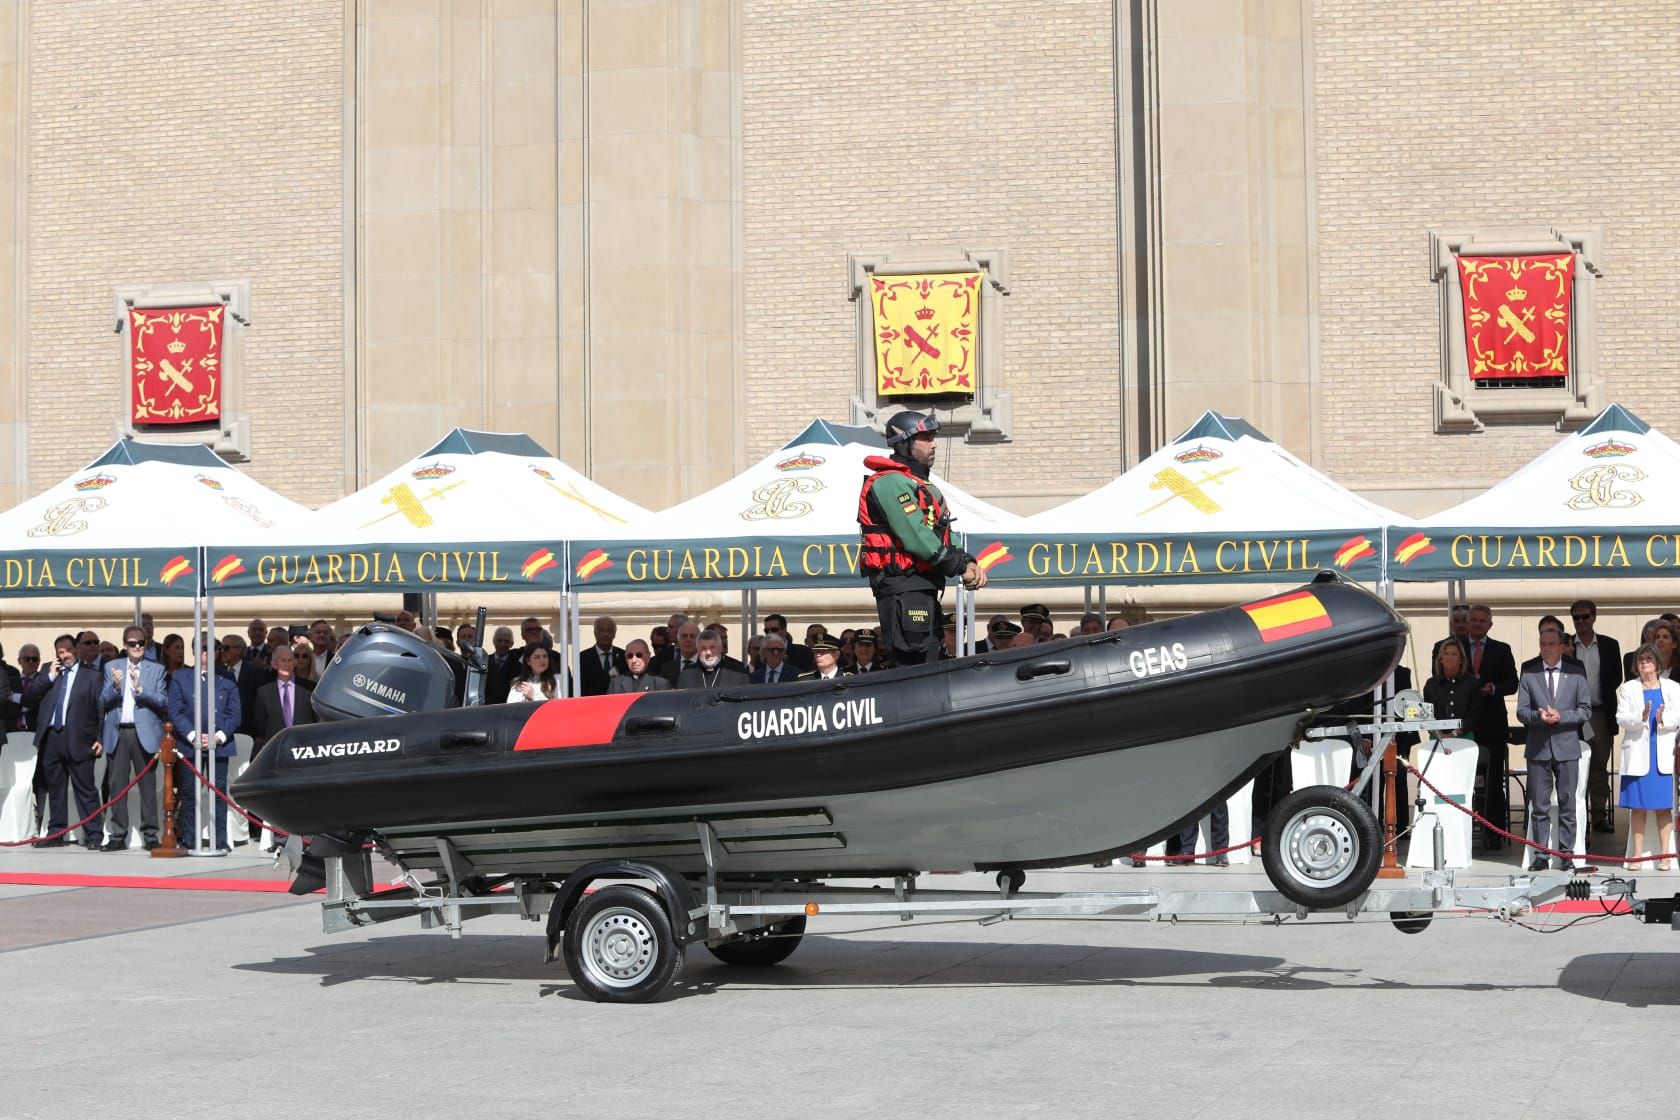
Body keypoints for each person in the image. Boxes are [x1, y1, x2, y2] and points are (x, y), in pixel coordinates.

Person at [856, 409, 984, 666]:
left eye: (932, 437)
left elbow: (942, 532)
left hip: (922, 586)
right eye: (925, 438)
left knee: (928, 655)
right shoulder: (890, 482)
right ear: (903, 443)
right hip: (903, 587)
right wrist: (958, 567)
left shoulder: (922, 485)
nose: (933, 444)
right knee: (912, 660)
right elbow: (916, 536)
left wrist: (968, 561)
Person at [1516, 627, 1593, 872]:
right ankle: (1541, 855)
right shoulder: (1530, 673)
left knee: (1568, 803)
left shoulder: (1576, 672)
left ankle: (1567, 854)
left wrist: (1562, 716)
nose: (1546, 648)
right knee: (1539, 805)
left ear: (1562, 646)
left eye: (1551, 644)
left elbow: (1585, 710)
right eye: (1543, 643)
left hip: (1567, 746)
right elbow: (1521, 711)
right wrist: (1540, 717)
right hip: (1538, 747)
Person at [27, 633, 105, 848]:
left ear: (77, 650)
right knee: (55, 788)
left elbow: (100, 709)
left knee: (85, 789)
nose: (64, 655)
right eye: (60, 652)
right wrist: (49, 676)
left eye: (68, 650)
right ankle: (56, 833)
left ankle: (94, 835)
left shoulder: (92, 675)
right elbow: (30, 695)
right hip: (52, 737)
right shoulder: (48, 671)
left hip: (80, 738)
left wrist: (100, 737)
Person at [96, 626, 168, 851]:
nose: (137, 647)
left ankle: (150, 834)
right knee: (116, 785)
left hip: (144, 733)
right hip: (118, 731)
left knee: (148, 787)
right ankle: (118, 834)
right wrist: (116, 688)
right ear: (125, 645)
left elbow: (163, 701)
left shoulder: (156, 669)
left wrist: (141, 690)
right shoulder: (111, 667)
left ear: (146, 644)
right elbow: (102, 701)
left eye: (141, 643)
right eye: (132, 643)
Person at [168, 634, 241, 853]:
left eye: (212, 648)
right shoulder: (181, 677)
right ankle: (189, 839)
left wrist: (218, 736)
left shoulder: (226, 678)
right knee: (190, 793)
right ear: (194, 651)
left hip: (219, 745)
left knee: (218, 793)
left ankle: (220, 840)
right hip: (191, 745)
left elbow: (234, 713)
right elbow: (175, 710)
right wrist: (192, 735)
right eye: (202, 648)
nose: (207, 653)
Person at [1614, 643, 1678, 870]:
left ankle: (1665, 856)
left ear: (1658, 663)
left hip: (1661, 755)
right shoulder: (1628, 688)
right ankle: (1637, 856)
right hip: (1638, 754)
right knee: (1638, 808)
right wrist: (1639, 717)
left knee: (1663, 807)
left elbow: (1677, 718)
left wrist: (1662, 718)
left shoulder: (1673, 688)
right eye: (1641, 660)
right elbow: (1621, 718)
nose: (1644, 663)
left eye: (1649, 659)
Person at [1464, 604, 1518, 848]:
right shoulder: (1455, 647)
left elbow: (1512, 683)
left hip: (1492, 722)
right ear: (1467, 622)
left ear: (1489, 625)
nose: (1477, 624)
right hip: (1464, 723)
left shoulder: (1501, 649)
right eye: (1473, 620)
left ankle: (1495, 832)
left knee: (1494, 781)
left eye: (1482, 621)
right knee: (1465, 778)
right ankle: (1465, 829)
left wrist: (1493, 688)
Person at [1568, 600, 1622, 834]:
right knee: (1572, 764)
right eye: (1576, 618)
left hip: (1599, 712)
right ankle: (1574, 814)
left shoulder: (1609, 645)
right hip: (1572, 714)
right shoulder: (1567, 644)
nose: (1581, 622)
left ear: (1594, 616)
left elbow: (1616, 677)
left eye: (1585, 616)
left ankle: (1599, 815)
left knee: (1599, 764)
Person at [253, 643, 317, 754]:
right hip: (275, 748)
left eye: (290, 660)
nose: (287, 664)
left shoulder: (309, 688)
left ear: (294, 663)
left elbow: (316, 718)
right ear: (274, 664)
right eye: (283, 661)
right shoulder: (264, 692)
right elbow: (260, 723)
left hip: (305, 747)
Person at [1422, 640, 1477, 741]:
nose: (1450, 657)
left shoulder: (1471, 683)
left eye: (1454, 654)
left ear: (1461, 659)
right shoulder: (1431, 684)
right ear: (1441, 659)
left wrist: (1454, 733)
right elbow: (1427, 714)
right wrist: (1439, 734)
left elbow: (1474, 714)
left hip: (1464, 738)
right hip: (1437, 738)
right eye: (1446, 654)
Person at [676, 632, 749, 689]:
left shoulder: (739, 674)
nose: (708, 652)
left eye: (712, 647)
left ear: (720, 648)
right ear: (698, 650)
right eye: (704, 648)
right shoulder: (686, 674)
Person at [579, 615, 627, 696]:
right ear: (595, 633)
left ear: (614, 634)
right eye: (601, 630)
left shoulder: (624, 656)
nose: (605, 634)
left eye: (609, 630)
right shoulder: (582, 658)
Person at [660, 621, 703, 687]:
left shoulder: (706, 666)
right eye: (684, 636)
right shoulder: (667, 668)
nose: (688, 639)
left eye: (692, 636)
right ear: (678, 640)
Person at [484, 626, 518, 704]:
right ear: (494, 642)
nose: (502, 644)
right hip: (488, 706)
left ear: (511, 644)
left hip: (508, 706)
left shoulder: (517, 665)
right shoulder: (485, 661)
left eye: (506, 641)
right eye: (499, 640)